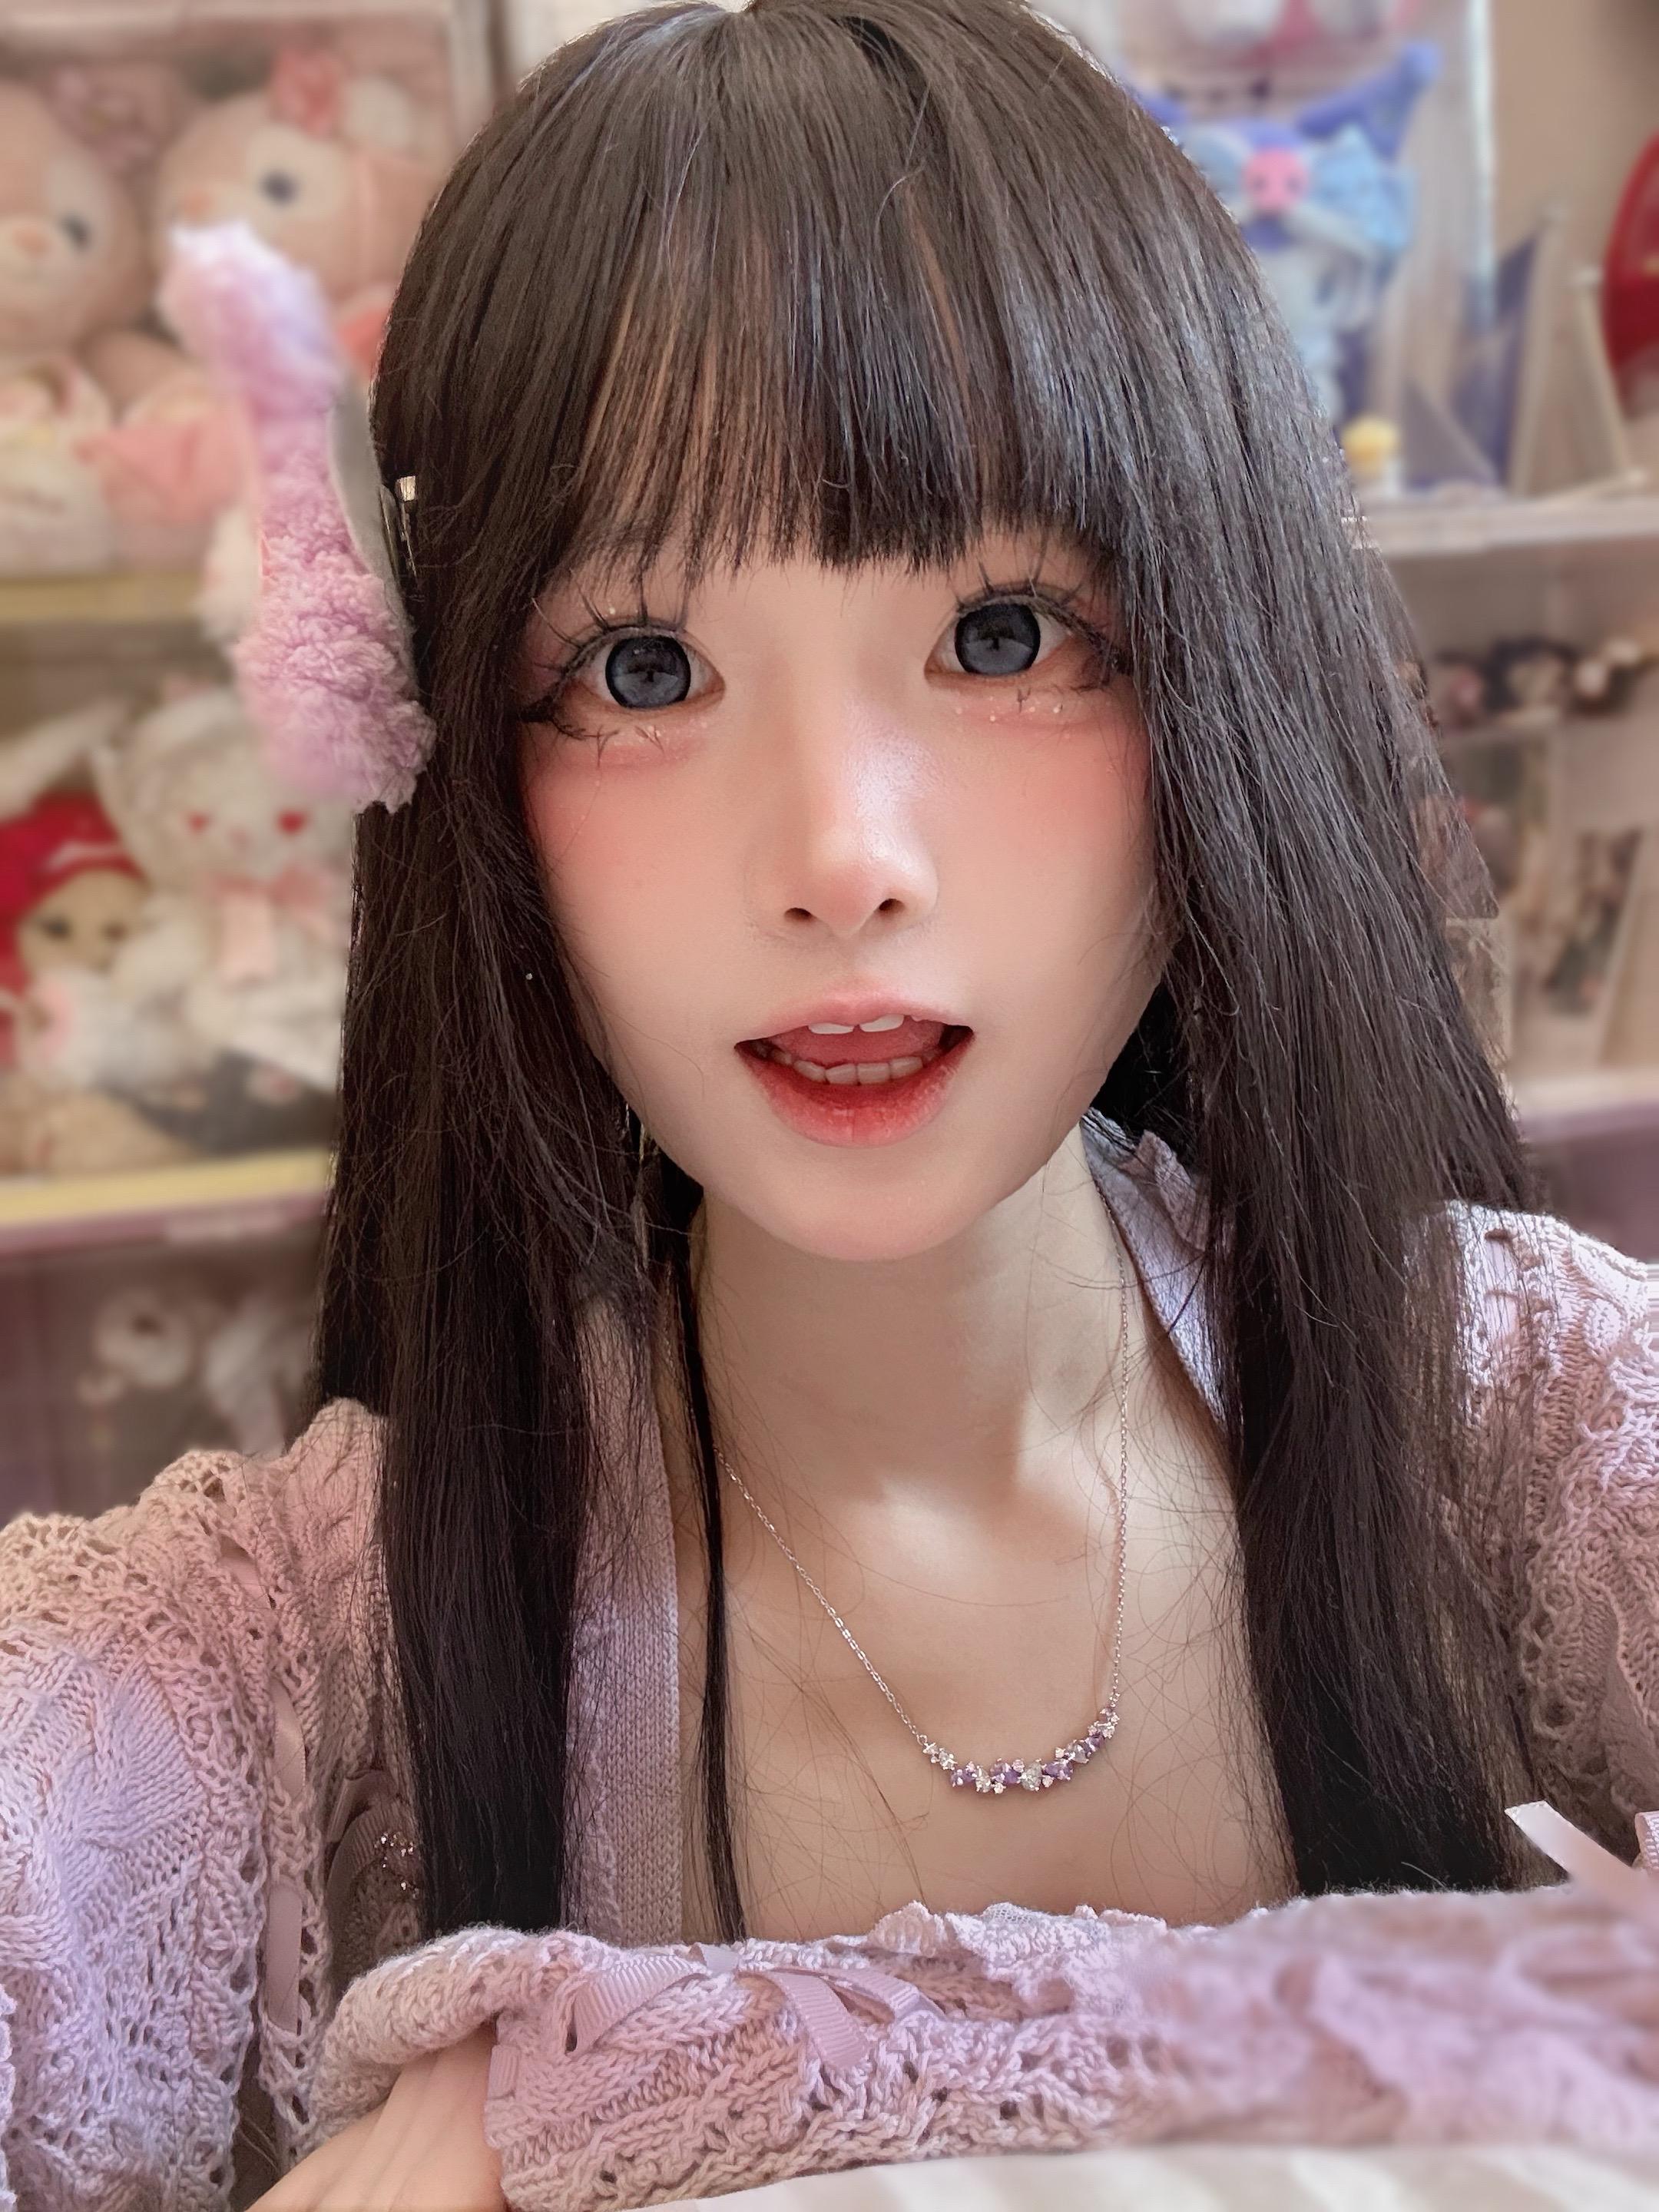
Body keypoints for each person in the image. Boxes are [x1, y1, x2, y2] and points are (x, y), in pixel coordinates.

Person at [2, 0, 1656, 2203]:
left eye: (1003, 635)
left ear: (1217, 656)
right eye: (641, 669)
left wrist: (608, 2087)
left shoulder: (1530, 1433)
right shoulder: (277, 1661)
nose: (840, 858)